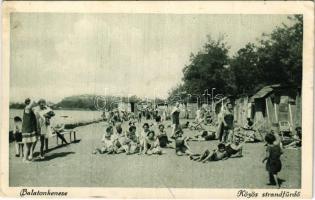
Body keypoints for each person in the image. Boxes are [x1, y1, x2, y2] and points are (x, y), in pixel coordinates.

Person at [21, 98, 38, 163]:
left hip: (29, 129)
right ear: (28, 103)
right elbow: (32, 103)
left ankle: (26, 158)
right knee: (27, 145)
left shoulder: (29, 109)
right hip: (28, 130)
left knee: (28, 145)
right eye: (29, 102)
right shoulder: (27, 108)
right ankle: (25, 159)